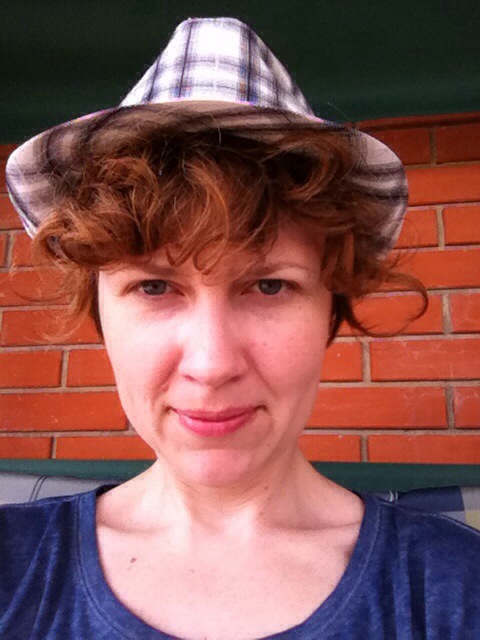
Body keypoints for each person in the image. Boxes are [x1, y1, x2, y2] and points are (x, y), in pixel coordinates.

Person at [2, 16, 480, 640]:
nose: (212, 364)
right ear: (101, 314)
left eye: (270, 285)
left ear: (329, 311)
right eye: (154, 287)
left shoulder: (458, 587)